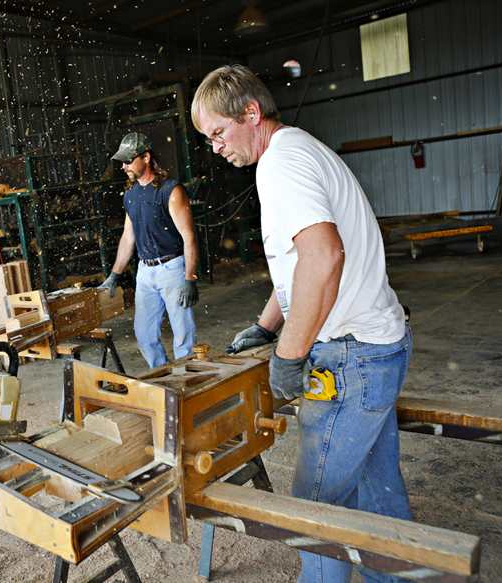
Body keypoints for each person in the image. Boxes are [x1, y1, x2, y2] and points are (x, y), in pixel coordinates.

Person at [191, 65, 412, 583]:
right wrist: (267, 326)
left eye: (218, 133)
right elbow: (299, 265)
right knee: (377, 495)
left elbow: (323, 258)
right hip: (378, 348)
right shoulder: (300, 150)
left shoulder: (280, 165)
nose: (216, 148)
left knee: (314, 507)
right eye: (208, 139)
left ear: (251, 113)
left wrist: (289, 354)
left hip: (350, 357)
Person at [98, 132, 200, 369]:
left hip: (172, 268)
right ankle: (163, 376)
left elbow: (189, 237)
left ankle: (188, 381)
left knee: (183, 335)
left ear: (146, 157)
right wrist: (114, 275)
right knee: (144, 336)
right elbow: (128, 237)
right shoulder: (131, 195)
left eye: (128, 161)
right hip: (145, 272)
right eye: (122, 161)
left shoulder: (171, 191)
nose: (123, 166)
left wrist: (190, 278)